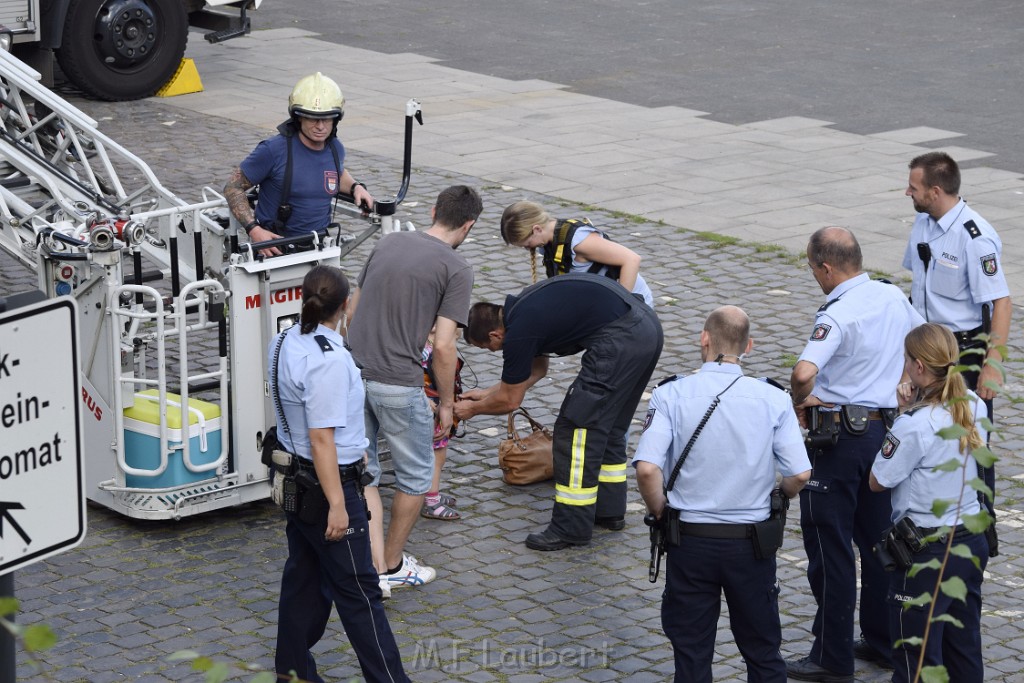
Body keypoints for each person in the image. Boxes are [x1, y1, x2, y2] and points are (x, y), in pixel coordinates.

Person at [634, 305, 811, 683]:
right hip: (751, 546)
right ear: (749, 347)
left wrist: (661, 511)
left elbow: (647, 468)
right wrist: (779, 496)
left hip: (690, 542)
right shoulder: (773, 398)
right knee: (763, 650)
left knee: (693, 652)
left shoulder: (671, 394)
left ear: (704, 339)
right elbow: (800, 473)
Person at [786, 227, 924, 682]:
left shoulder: (839, 312)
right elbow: (922, 344)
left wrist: (797, 400)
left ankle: (831, 657)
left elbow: (805, 371)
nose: (814, 277)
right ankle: (885, 642)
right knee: (880, 542)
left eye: (812, 269)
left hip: (839, 441)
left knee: (831, 549)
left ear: (826, 267)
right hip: (884, 434)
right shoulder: (891, 297)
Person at [268, 265, 408, 683]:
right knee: (360, 595)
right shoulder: (328, 361)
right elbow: (322, 438)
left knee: (304, 583)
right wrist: (337, 506)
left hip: (297, 478)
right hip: (328, 488)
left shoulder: (285, 339)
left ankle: (292, 673)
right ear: (346, 304)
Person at [454, 272, 663, 550]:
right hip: (645, 328)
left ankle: (570, 527)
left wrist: (472, 410)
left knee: (575, 428)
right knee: (608, 425)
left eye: (489, 347)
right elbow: (537, 370)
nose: (495, 351)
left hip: (619, 342)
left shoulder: (518, 332)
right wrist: (486, 393)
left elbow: (510, 401)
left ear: (495, 334)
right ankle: (609, 511)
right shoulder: (523, 309)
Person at [347, 185, 482, 595]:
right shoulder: (457, 269)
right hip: (399, 384)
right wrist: (445, 403)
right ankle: (390, 564)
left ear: (435, 210)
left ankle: (371, 564)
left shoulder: (389, 243)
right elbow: (443, 345)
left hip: (355, 373)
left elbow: (351, 310)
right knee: (415, 477)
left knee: (365, 471)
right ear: (469, 224)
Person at [903, 151, 1011, 554]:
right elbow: (916, 288)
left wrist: (993, 366)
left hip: (963, 355)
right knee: (925, 436)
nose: (907, 192)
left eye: (913, 187)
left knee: (970, 445)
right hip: (925, 350)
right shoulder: (921, 222)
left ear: (934, 190)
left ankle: (980, 536)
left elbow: (1001, 302)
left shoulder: (974, 236)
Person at [869, 323, 989, 683]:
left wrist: (903, 414)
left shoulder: (915, 425)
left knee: (915, 658)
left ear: (919, 367)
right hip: (969, 543)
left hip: (926, 555)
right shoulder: (975, 405)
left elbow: (878, 481)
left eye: (907, 359)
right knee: (963, 647)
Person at [224, 72, 374, 256]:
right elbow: (233, 187)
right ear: (299, 117)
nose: (320, 126)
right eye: (313, 118)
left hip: (319, 247)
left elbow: (335, 172)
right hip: (275, 249)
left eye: (327, 119)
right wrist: (254, 230)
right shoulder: (273, 150)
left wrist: (355, 187)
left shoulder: (335, 148)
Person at [499, 200, 654, 306]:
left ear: (537, 229)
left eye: (526, 245)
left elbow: (632, 259)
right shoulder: (547, 241)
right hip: (597, 303)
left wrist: (621, 306)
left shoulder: (579, 242)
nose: (528, 249)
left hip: (633, 306)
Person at [420, 330, 463, 520]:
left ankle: (431, 492)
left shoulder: (430, 342)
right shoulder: (427, 347)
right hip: (433, 408)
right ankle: (431, 501)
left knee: (438, 453)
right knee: (436, 455)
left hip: (437, 405)